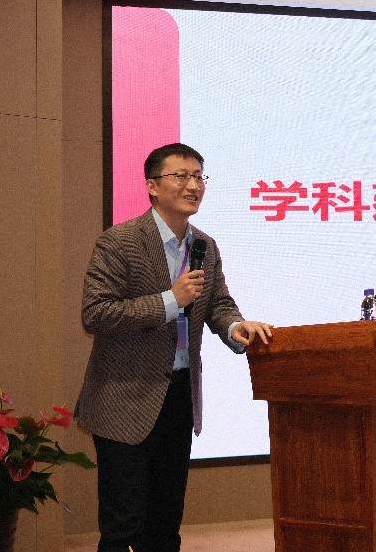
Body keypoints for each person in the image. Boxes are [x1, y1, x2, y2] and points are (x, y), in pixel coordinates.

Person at [76, 143, 273, 552]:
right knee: (123, 527)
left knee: (165, 524)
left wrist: (234, 326)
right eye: (180, 176)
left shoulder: (204, 246)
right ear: (152, 186)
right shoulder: (120, 242)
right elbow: (96, 313)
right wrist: (171, 300)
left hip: (179, 394)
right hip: (125, 400)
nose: (193, 185)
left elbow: (217, 303)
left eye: (199, 176)